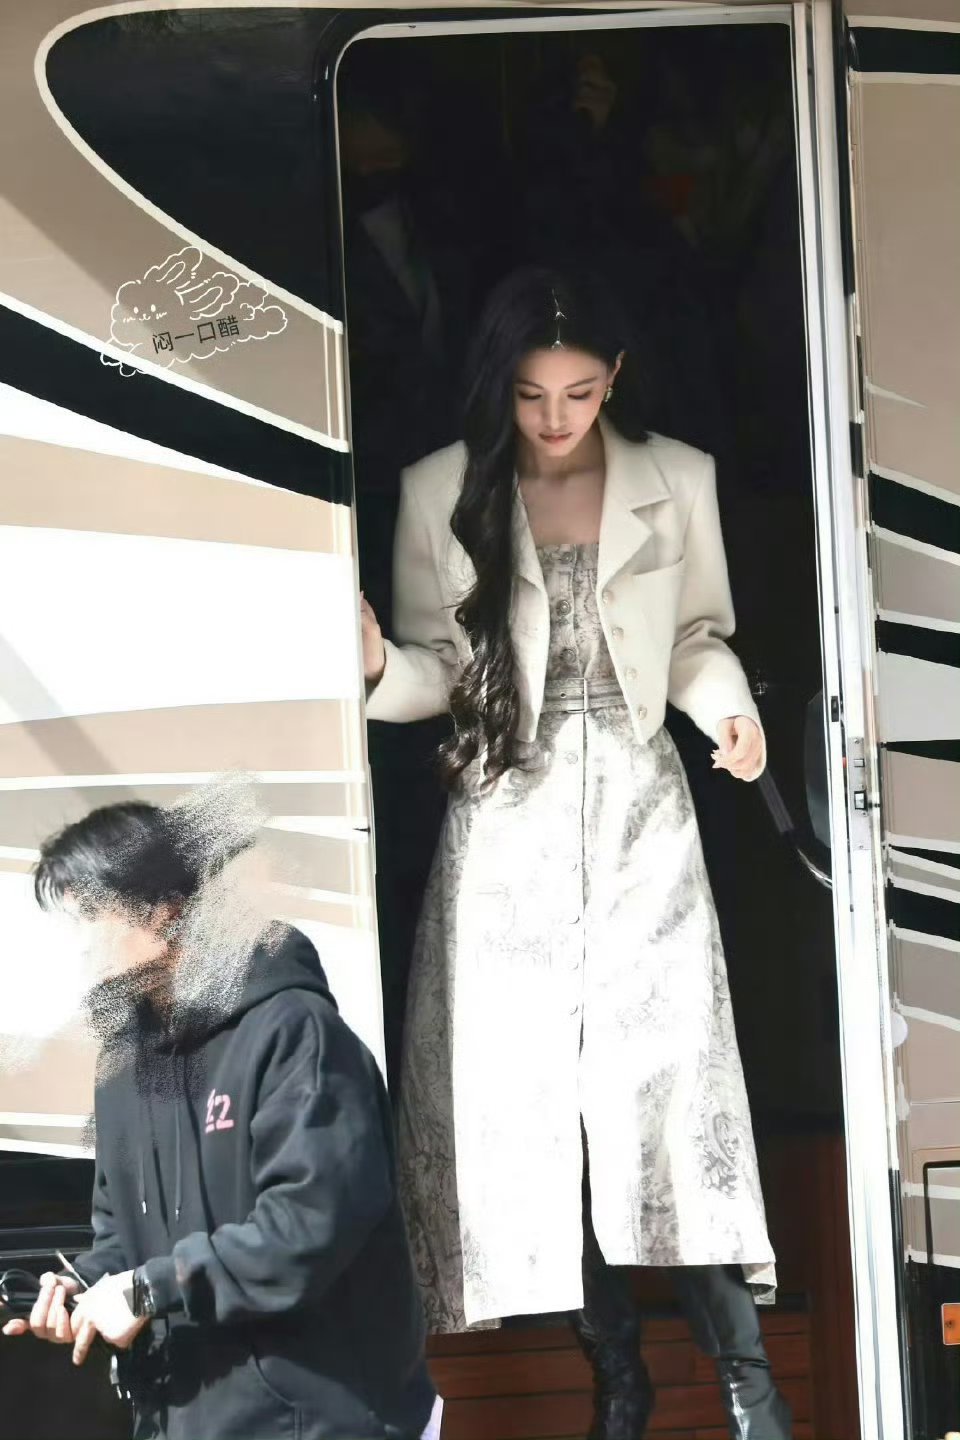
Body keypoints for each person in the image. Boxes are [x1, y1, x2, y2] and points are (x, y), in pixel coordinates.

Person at [361, 268, 793, 1439]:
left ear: (617, 381)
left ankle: (749, 1386)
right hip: (508, 820)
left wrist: (729, 713)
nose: (555, 418)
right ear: (500, 386)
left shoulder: (678, 477)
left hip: (642, 812)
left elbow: (696, 636)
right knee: (542, 1112)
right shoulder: (440, 488)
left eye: (580, 392)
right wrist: (375, 667)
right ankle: (617, 1374)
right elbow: (438, 670)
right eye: (531, 394)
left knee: (666, 1093)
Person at [2, 799, 435, 1440]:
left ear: (162, 908)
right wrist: (77, 1288)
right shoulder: (123, 1063)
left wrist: (147, 1291)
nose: (82, 940)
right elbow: (122, 1238)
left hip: (319, 1418)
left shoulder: (294, 1032)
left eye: (93, 913)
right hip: (186, 1416)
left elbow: (308, 1226)